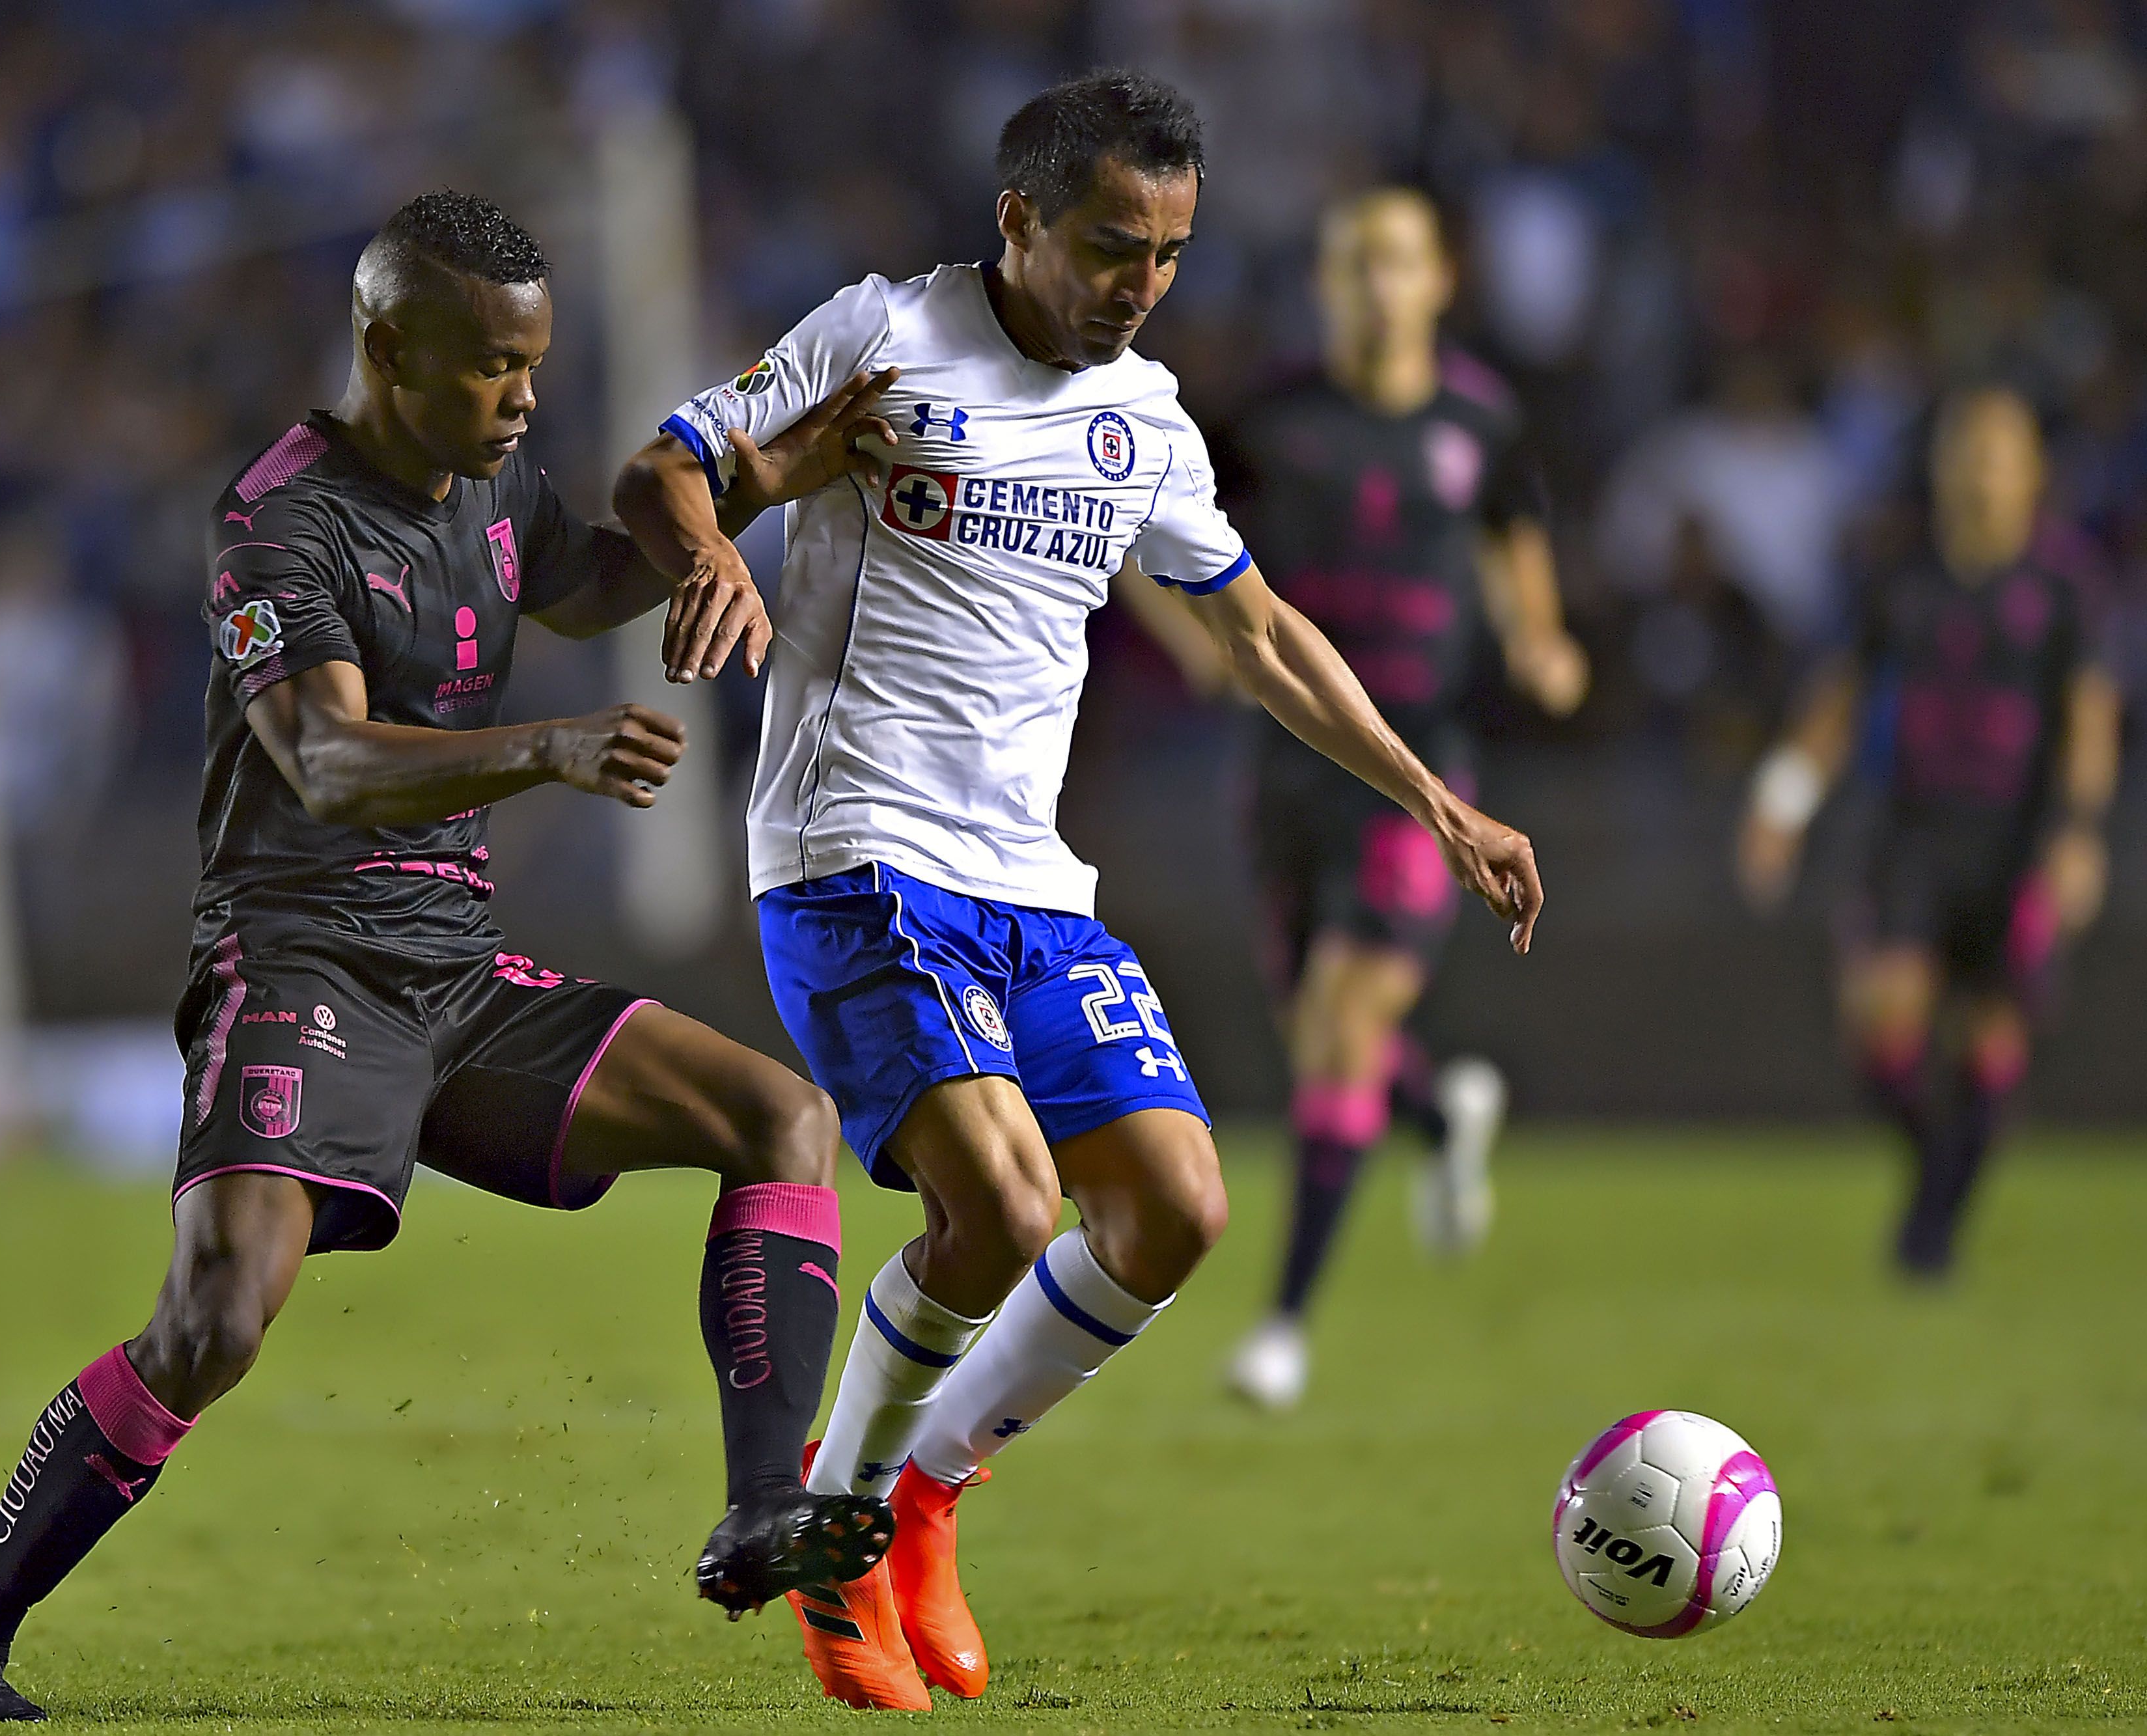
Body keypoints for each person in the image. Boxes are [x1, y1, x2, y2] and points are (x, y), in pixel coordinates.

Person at [0, 192, 904, 1722]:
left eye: (535, 364)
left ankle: (766, 1507)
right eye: (493, 366)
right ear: (386, 343)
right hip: (300, 967)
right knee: (216, 1316)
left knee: (779, 1116)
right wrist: (551, 745)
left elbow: (574, 579)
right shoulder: (277, 519)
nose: (523, 396)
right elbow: (329, 762)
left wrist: (771, 476)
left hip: (456, 972)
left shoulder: (486, 484)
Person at [614, 76, 1544, 1711]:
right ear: (1019, 220)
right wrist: (706, 546)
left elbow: (1257, 637)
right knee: (1001, 1205)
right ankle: (820, 1541)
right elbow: (665, 466)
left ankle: (922, 1494)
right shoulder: (880, 332)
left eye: (1172, 253)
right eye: (1115, 245)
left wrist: (1434, 797)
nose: (1141, 283)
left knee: (1175, 1206)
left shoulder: (1149, 420)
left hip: (1034, 886)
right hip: (856, 854)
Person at [1119, 188, 1586, 1413]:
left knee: (1337, 1019)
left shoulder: (1483, 423)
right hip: (1285, 768)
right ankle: (1438, 1118)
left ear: (1439, 278)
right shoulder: (1271, 420)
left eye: (1396, 260)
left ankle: (1283, 1328)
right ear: (1327, 285)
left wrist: (1542, 645)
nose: (1374, 283)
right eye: (1351, 262)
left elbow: (1517, 561)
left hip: (1421, 773)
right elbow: (1135, 534)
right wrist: (1195, 646)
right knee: (1328, 1040)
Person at [1739, 385, 2120, 1278]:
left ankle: (1931, 1230)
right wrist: (1783, 801)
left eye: (1999, 450)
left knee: (1992, 1043)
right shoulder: (1900, 578)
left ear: (2033, 472)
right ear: (1942, 467)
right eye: (1966, 449)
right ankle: (1936, 1173)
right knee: (1881, 1021)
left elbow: (2087, 718)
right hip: (1910, 837)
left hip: (2014, 843)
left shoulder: (2065, 586)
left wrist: (2078, 831)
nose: (1981, 469)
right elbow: (1836, 701)